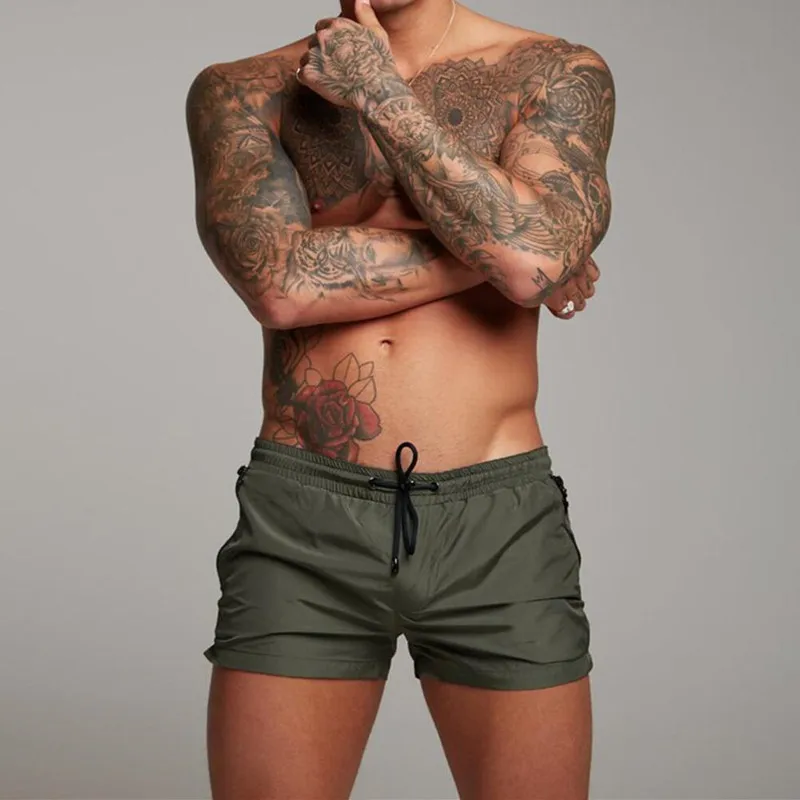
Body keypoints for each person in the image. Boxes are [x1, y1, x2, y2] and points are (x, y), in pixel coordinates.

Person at [186, 0, 614, 796]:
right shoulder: (242, 89)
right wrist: (504, 253)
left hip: (497, 523)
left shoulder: (551, 71)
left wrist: (378, 91)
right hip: (305, 520)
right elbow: (278, 285)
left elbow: (537, 257)